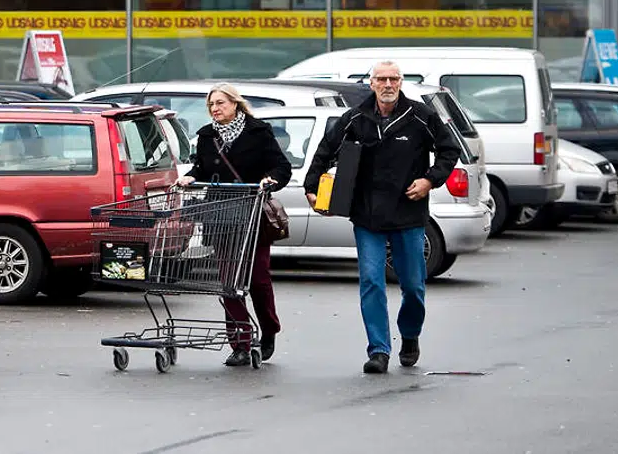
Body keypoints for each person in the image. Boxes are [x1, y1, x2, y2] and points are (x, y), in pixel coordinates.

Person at [302, 60, 461, 374]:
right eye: (381, 79)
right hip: (367, 215)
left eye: (393, 79)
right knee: (372, 282)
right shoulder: (355, 118)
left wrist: (430, 180)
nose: (388, 84)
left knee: (414, 286)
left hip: (409, 214)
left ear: (400, 82)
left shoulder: (420, 116)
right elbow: (324, 151)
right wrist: (311, 187)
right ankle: (378, 350)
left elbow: (449, 150)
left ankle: (410, 335)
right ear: (371, 83)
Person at [175, 83, 292, 366]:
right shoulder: (206, 136)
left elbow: (281, 167)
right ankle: (239, 342)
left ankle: (269, 330)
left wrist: (270, 180)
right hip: (221, 216)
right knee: (229, 283)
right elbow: (202, 168)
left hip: (251, 214)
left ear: (236, 104)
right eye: (211, 105)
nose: (215, 109)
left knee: (258, 280)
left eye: (221, 103)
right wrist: (191, 176)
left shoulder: (258, 132)